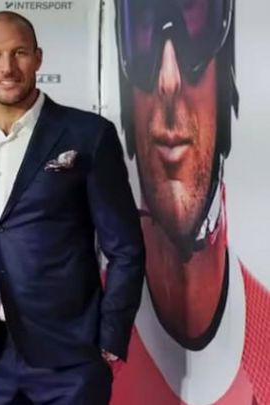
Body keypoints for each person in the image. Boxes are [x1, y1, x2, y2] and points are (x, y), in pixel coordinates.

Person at [0, 11, 145, 405]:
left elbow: (125, 249)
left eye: (19, 53)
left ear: (38, 58)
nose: (7, 67)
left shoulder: (88, 135)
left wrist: (110, 339)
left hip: (70, 358)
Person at [111, 0, 270, 404]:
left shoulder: (265, 345)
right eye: (143, 29)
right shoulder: (78, 344)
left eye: (195, 27)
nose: (168, 79)